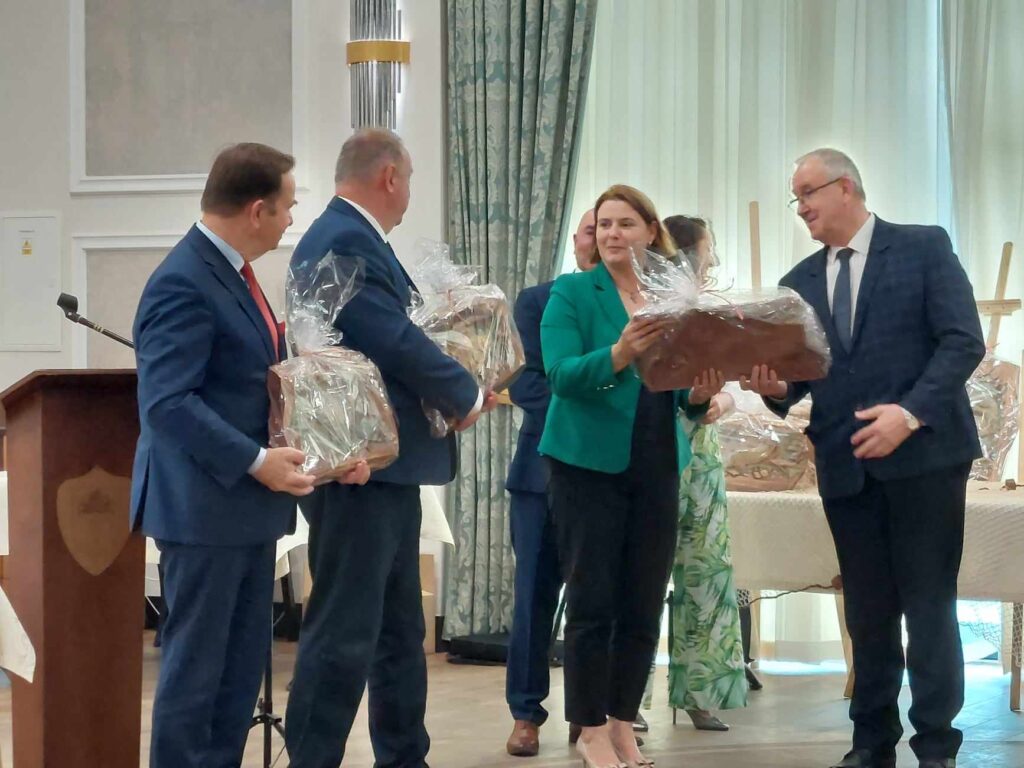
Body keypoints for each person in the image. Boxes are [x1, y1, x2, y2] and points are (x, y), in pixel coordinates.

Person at [741, 148, 985, 768]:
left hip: (927, 459)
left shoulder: (923, 247)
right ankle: (871, 742)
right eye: (796, 198)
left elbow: (963, 341)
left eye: (808, 193)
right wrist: (774, 387)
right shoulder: (797, 283)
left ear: (845, 187)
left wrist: (909, 413)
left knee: (929, 607)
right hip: (846, 465)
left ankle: (936, 746)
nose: (800, 207)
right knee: (868, 614)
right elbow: (800, 380)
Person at [131, 142, 370, 768]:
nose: (292, 220)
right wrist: (256, 461)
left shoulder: (232, 272)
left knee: (235, 684)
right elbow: (167, 404)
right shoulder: (184, 280)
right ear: (257, 209)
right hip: (204, 511)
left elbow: (249, 386)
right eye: (288, 207)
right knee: (197, 681)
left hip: (240, 512)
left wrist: (326, 450)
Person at [283, 128, 496, 768]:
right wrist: (463, 391)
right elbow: (388, 336)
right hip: (360, 469)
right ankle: (312, 759)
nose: (408, 192)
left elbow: (392, 334)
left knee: (400, 629)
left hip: (385, 469)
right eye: (410, 179)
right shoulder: (344, 238)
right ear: (390, 177)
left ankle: (404, 756)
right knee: (345, 631)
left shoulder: (349, 237)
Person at [540, 184, 724, 768]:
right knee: (593, 602)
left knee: (645, 603)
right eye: (603, 225)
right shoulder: (572, 292)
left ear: (650, 232)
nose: (612, 234)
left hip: (657, 460)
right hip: (586, 466)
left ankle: (623, 724)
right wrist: (618, 353)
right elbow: (561, 376)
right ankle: (590, 728)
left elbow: (678, 390)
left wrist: (698, 395)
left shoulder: (670, 297)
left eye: (625, 224)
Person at [505, 209, 597, 757]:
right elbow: (525, 385)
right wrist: (595, 408)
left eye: (615, 227)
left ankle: (590, 716)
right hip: (541, 474)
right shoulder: (538, 301)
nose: (602, 237)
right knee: (533, 599)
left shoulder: (637, 308)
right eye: (591, 229)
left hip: (609, 475)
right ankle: (525, 713)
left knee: (597, 599)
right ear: (577, 242)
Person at [660, 216, 747, 732]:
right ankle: (625, 702)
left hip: (703, 451)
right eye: (706, 252)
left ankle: (702, 689)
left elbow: (736, 386)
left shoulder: (714, 310)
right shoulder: (649, 309)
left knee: (705, 569)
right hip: (654, 446)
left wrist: (721, 401)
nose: (711, 262)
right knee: (643, 576)